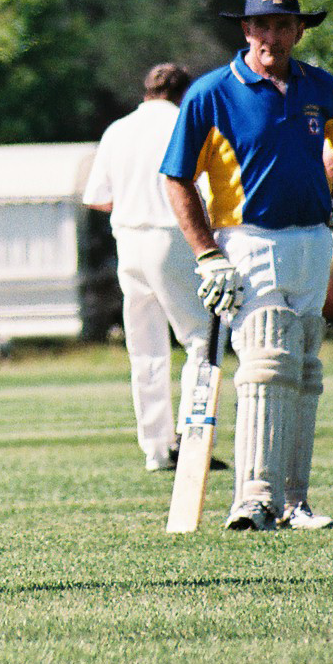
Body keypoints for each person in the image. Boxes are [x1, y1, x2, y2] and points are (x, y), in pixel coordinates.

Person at [160, 0, 333, 532]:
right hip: (248, 239)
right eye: (262, 26)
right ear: (246, 30)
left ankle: (294, 501)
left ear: (299, 31)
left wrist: (324, 197)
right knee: (267, 360)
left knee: (304, 368)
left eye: (283, 25)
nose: (272, 36)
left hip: (312, 240)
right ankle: (252, 499)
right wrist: (207, 253)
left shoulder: (321, 87)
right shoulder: (212, 93)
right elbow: (175, 177)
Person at [82, 62, 222, 472]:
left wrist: (132, 199)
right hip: (171, 236)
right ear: (184, 93)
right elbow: (204, 193)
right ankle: (193, 439)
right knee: (200, 338)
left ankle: (156, 450)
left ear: (146, 91)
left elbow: (97, 198)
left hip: (128, 241)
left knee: (145, 349)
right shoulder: (185, 122)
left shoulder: (118, 129)